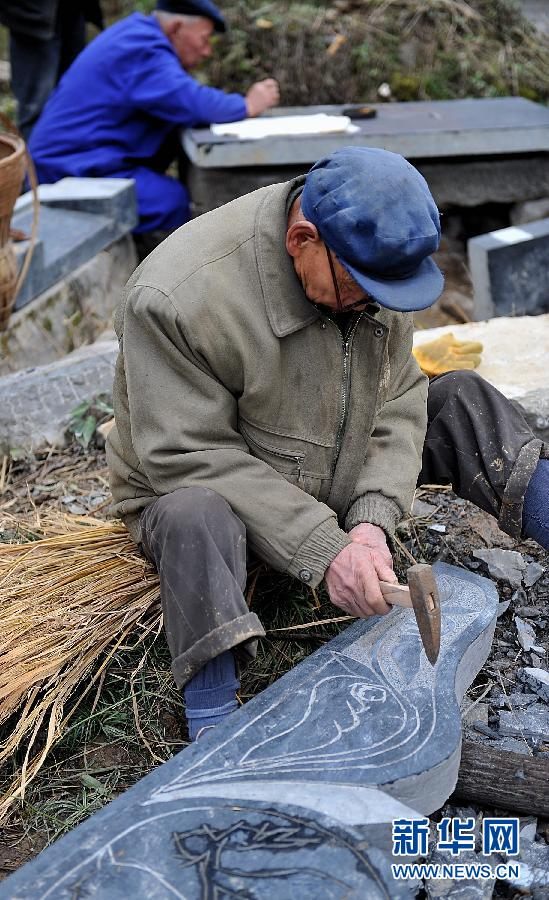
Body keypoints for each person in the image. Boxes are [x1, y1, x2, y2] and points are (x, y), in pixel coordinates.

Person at [106, 147, 548, 741]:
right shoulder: (178, 297)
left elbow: (396, 399)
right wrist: (323, 548)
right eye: (362, 288)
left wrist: (368, 522)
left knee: (461, 395)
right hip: (219, 486)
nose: (375, 304)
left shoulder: (367, 265)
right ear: (302, 238)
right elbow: (186, 455)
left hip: (329, 456)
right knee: (194, 514)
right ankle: (213, 722)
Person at [28, 0, 279, 257]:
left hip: (82, 159)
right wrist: (247, 105)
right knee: (168, 201)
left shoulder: (138, 36)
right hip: (66, 170)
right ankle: (151, 276)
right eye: (204, 39)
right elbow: (191, 102)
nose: (206, 51)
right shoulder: (141, 49)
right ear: (177, 27)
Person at [0, 0, 103, 141]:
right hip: (31, 16)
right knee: (35, 109)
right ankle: (31, 160)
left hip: (73, 10)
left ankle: (66, 156)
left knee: (73, 101)